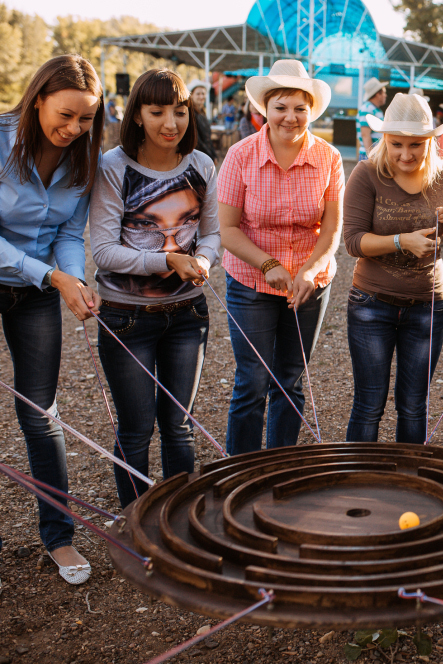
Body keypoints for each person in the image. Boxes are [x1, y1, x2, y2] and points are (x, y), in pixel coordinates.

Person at [89, 69, 222, 508]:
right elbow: (104, 252)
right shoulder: (113, 166)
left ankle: (179, 523)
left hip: (188, 317)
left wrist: (201, 261)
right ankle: (135, 523)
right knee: (135, 429)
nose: (171, 122)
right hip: (127, 318)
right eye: (158, 111)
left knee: (179, 426)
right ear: (138, 115)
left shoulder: (202, 165)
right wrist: (167, 260)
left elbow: (213, 235)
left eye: (181, 111)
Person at [0, 54, 104, 585]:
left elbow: (68, 232)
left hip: (39, 289)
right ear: (37, 97)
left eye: (85, 119)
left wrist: (73, 279)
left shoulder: (85, 158)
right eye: (65, 115)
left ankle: (59, 537)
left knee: (41, 412)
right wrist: (53, 278)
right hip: (24, 276)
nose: (73, 129)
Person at [217, 60, 344, 455]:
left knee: (289, 378)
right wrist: (268, 264)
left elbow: (333, 228)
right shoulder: (240, 156)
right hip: (251, 280)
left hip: (309, 283)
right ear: (265, 110)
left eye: (300, 108)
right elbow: (228, 230)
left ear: (311, 110)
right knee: (252, 380)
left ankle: (280, 465)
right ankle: (240, 471)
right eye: (281, 107)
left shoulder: (328, 157)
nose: (291, 117)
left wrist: (310, 270)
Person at [342, 94, 443, 443]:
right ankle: (358, 481)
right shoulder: (367, 173)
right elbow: (352, 241)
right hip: (372, 303)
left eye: (417, 144)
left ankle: (409, 487)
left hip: (427, 306)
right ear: (384, 139)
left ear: (431, 141)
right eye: (396, 144)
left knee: (414, 405)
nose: (406, 154)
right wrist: (402, 241)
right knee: (369, 403)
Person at [357, 77, 387, 161]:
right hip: (370, 155)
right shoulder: (367, 109)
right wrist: (371, 157)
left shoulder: (374, 109)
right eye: (384, 93)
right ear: (378, 94)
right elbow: (365, 135)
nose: (386, 95)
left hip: (375, 154)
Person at [187, 81, 217, 162]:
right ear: (191, 95)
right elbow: (196, 139)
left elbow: (208, 138)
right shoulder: (190, 113)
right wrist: (210, 155)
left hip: (205, 156)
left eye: (203, 94)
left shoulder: (202, 112)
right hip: (196, 157)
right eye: (198, 94)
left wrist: (213, 155)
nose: (201, 96)